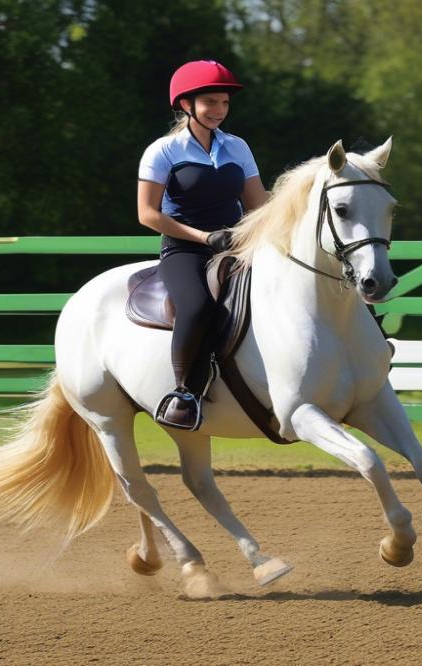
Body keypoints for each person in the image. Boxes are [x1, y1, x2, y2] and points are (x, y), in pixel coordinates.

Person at [137, 60, 267, 430]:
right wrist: (203, 237)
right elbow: (147, 214)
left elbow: (259, 203)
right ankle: (184, 393)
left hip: (236, 246)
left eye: (224, 103)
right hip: (185, 249)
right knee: (196, 307)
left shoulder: (237, 147)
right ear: (185, 104)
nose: (219, 111)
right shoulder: (163, 151)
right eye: (210, 102)